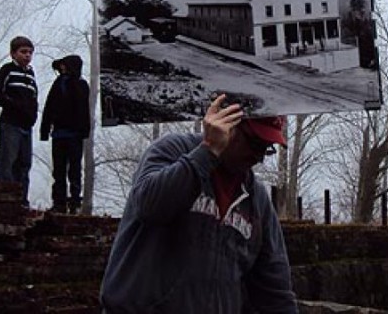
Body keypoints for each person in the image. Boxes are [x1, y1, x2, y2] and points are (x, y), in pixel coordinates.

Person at [100, 94, 298, 313]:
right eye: (254, 144)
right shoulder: (172, 151)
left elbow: (274, 288)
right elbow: (149, 205)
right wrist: (208, 151)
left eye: (266, 148)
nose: (258, 157)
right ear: (227, 123)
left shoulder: (256, 200)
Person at [0, 35, 38, 207]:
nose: (27, 55)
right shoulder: (7, 70)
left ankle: (21, 200)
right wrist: (12, 105)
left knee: (24, 164)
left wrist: (33, 115)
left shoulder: (31, 74)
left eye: (30, 52)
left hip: (26, 126)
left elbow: (34, 97)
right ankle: (5, 199)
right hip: (10, 123)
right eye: (23, 52)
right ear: (13, 53)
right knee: (7, 161)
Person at [40, 54, 90, 214]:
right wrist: (45, 130)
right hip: (59, 134)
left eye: (65, 65)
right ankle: (59, 202)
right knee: (59, 171)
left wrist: (84, 131)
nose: (62, 68)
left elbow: (84, 110)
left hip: (74, 134)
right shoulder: (58, 83)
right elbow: (49, 107)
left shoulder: (81, 85)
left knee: (74, 171)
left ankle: (75, 202)